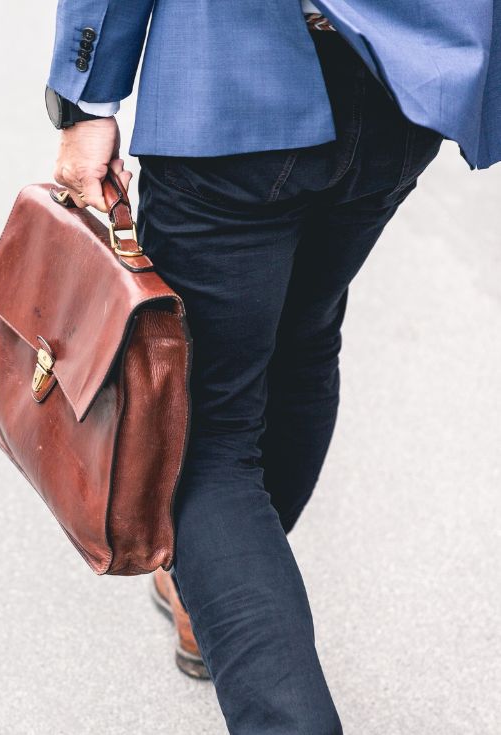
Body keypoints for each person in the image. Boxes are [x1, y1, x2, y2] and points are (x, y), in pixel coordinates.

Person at [44, 1, 499, 733]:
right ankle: (217, 589)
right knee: (304, 335)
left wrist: (87, 98)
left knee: (205, 434)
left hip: (232, 81)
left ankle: (244, 629)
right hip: (402, 88)